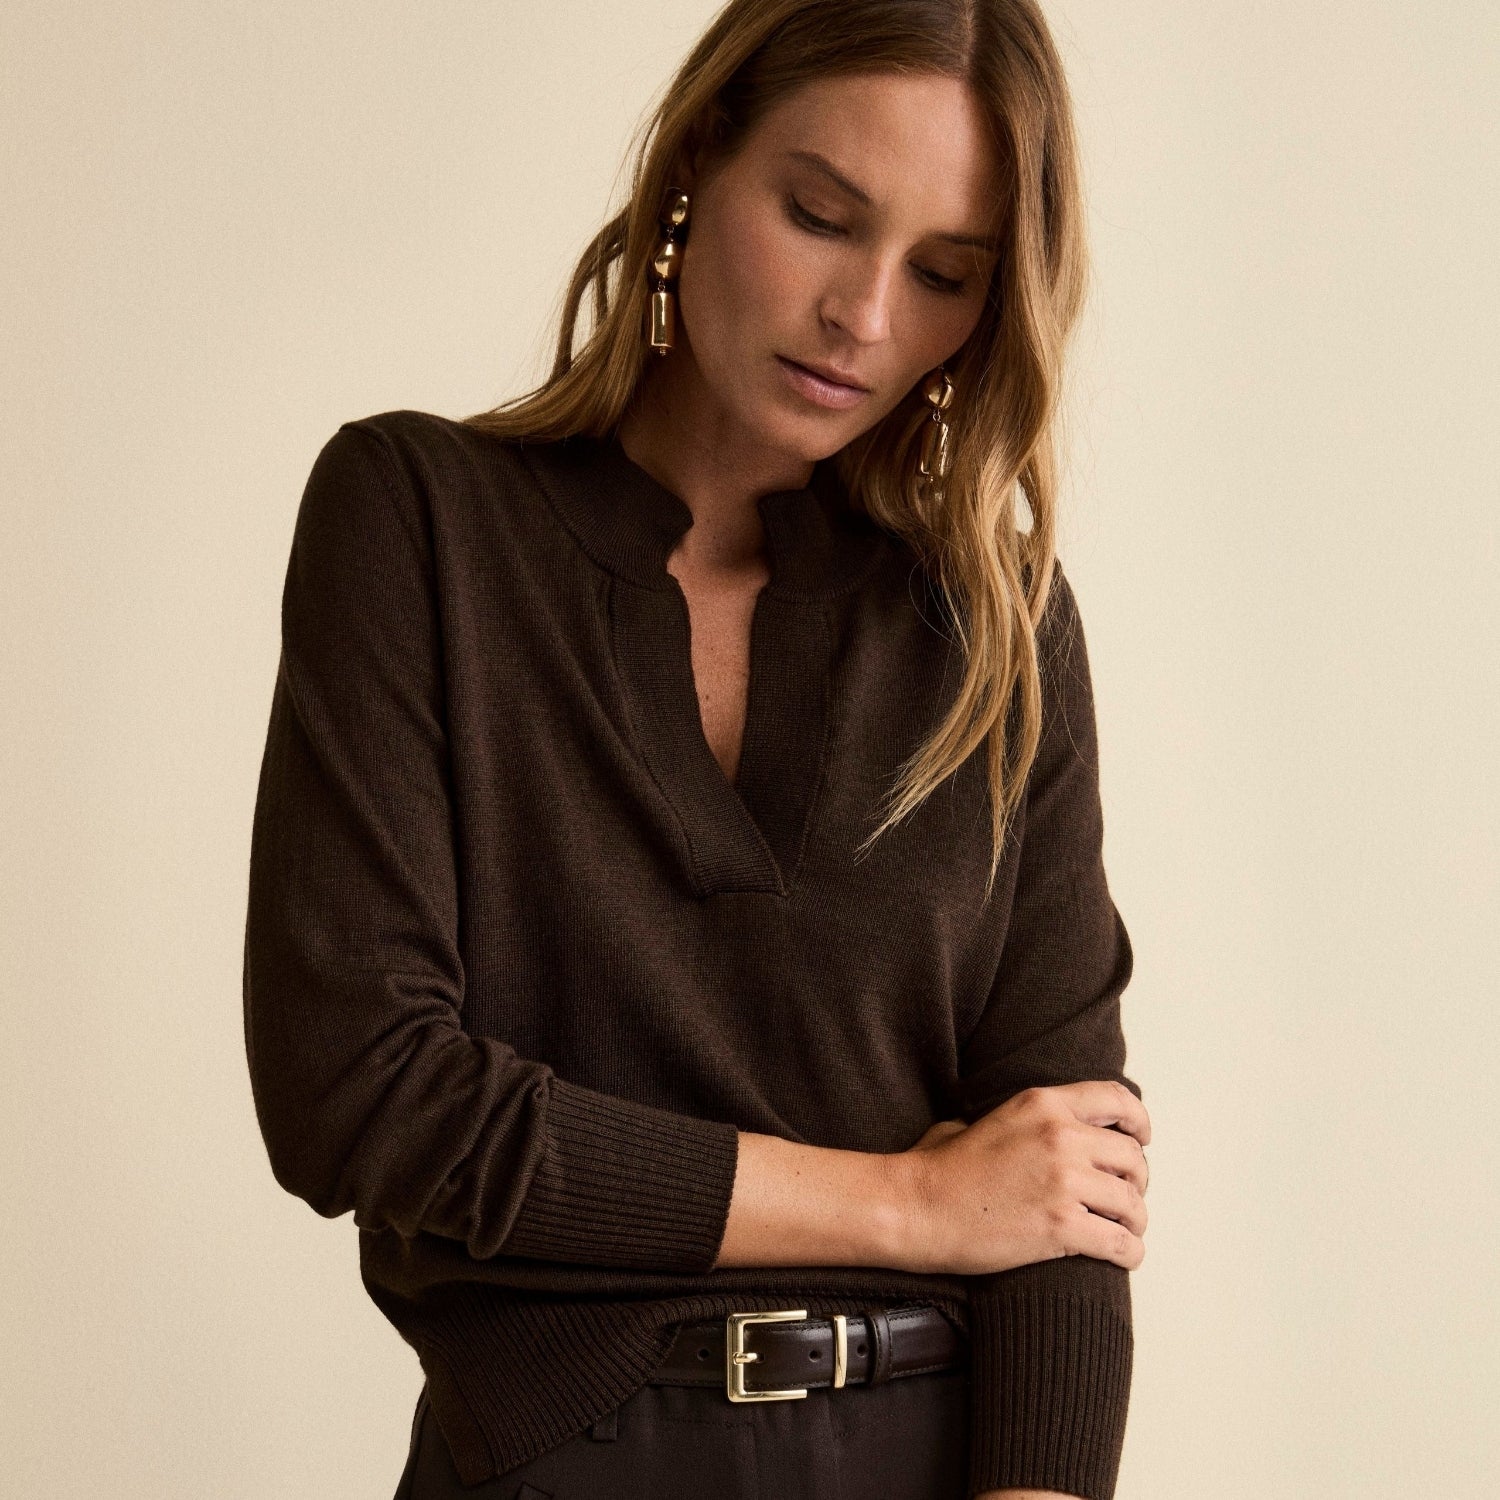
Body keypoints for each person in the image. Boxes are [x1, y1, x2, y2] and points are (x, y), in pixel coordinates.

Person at [241, 1, 1153, 1497]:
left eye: (944, 273)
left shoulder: (996, 627)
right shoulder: (419, 520)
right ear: (695, 165)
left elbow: (1067, 1180)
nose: (865, 316)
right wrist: (913, 1205)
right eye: (820, 217)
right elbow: (361, 1093)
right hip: (556, 1458)